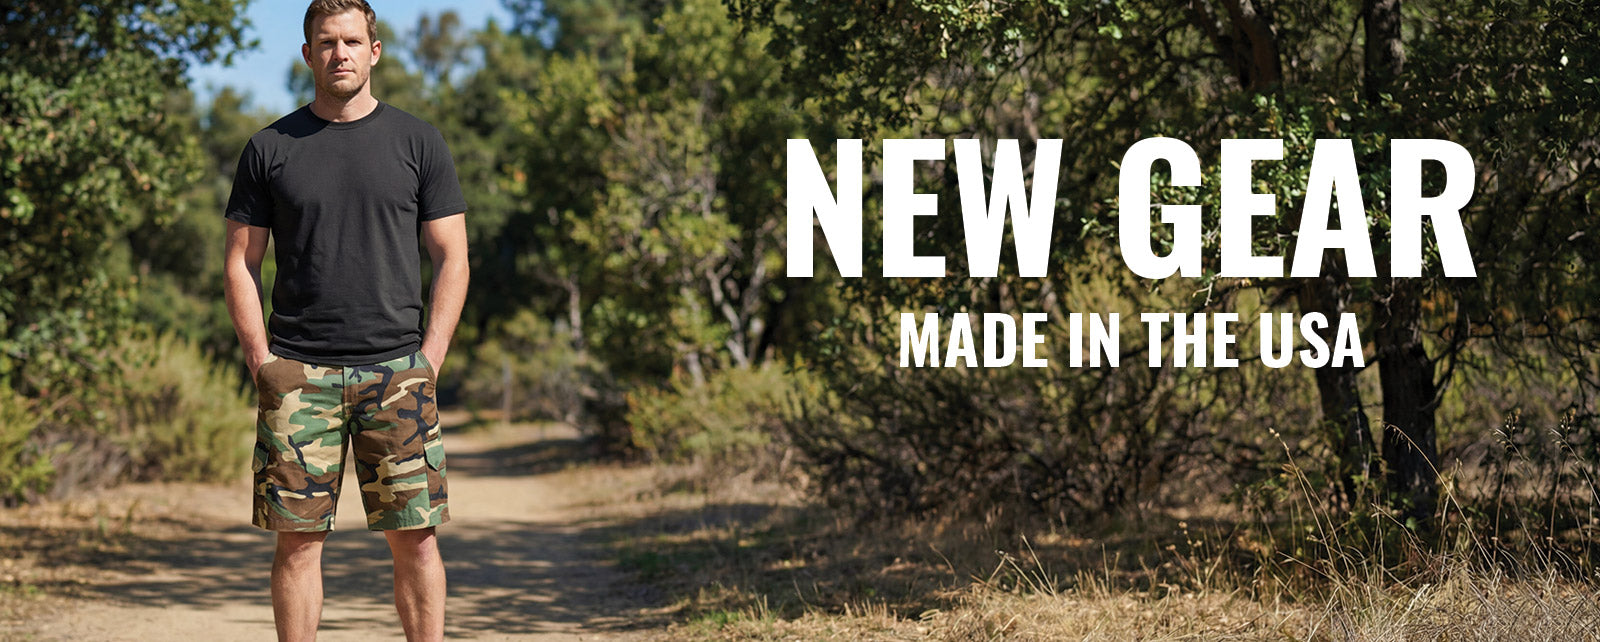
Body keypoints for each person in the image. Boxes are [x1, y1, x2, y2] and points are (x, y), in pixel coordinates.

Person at [221, 1, 468, 640]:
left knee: (416, 540)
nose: (340, 53)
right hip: (299, 372)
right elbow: (241, 263)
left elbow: (452, 258)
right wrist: (261, 361)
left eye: (352, 41)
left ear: (374, 51)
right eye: (326, 42)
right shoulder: (269, 148)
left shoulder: (419, 142)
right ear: (307, 54)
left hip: (398, 373)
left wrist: (429, 359)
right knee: (297, 545)